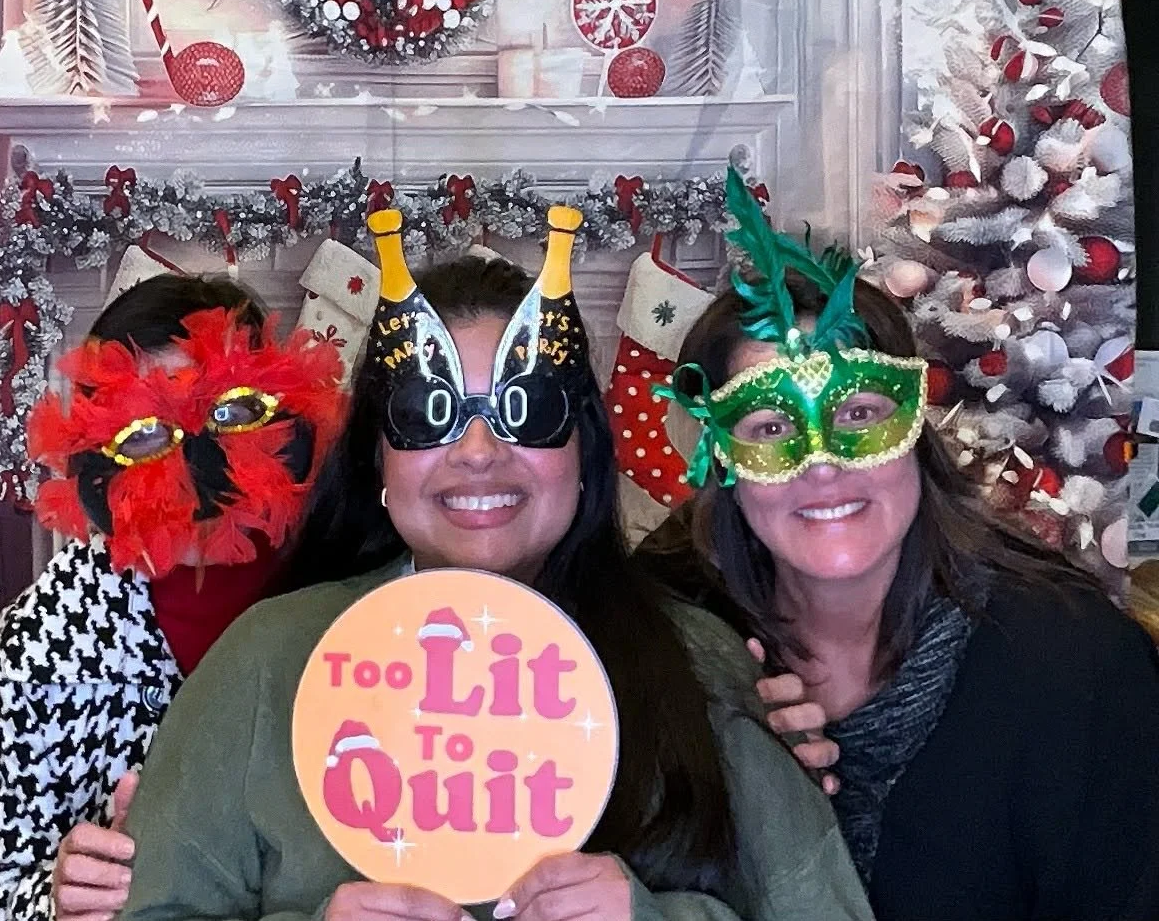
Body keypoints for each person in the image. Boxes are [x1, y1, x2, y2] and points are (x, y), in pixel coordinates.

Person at [118, 207, 873, 921]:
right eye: (427, 415)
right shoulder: (266, 659)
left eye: (528, 410)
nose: (478, 453)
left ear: (584, 453)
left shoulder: (699, 660)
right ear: (378, 454)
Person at [657, 168, 1159, 921]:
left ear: (914, 430)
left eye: (859, 413)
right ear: (724, 461)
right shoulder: (660, 646)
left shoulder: (1075, 665)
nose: (822, 461)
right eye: (771, 427)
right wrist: (745, 779)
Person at [0, 274, 346, 921]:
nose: (194, 460)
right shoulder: (49, 634)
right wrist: (57, 898)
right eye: (143, 434)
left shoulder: (339, 587)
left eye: (231, 412)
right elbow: (4, 886)